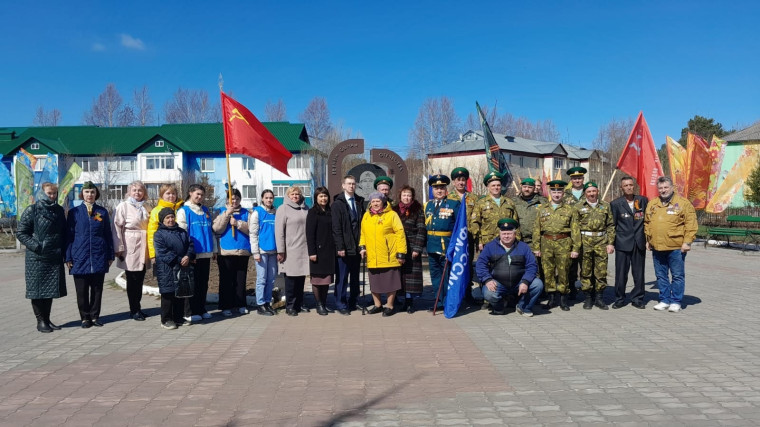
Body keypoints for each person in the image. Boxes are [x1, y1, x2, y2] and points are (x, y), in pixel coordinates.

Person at [17, 182, 67, 333]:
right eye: (49, 193)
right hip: (37, 258)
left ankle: (47, 319)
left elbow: (63, 231)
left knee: (49, 290)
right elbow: (21, 232)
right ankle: (40, 321)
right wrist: (37, 246)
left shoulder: (58, 210)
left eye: (54, 194)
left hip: (53, 256)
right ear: (42, 194)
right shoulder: (32, 210)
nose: (52, 196)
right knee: (38, 291)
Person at [644, 176, 697, 313]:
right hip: (657, 247)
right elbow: (647, 223)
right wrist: (648, 239)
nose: (663, 190)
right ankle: (664, 300)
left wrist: (687, 242)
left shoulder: (683, 203)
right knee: (661, 275)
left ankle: (676, 301)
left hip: (676, 247)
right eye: (660, 188)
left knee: (677, 275)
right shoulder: (653, 203)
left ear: (672, 187)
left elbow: (691, 224)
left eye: (666, 187)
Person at [66, 181, 114, 328]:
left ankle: (95, 316)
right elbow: (68, 236)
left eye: (92, 192)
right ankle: (85, 318)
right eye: (87, 192)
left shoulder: (102, 212)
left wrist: (110, 255)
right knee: (81, 290)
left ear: (96, 194)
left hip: (99, 255)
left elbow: (108, 234)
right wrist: (68, 257)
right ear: (82, 194)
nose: (90, 195)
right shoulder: (74, 212)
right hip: (79, 256)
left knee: (97, 289)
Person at [475, 218, 543, 317]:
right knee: (488, 293)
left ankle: (523, 307)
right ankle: (499, 306)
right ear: (500, 234)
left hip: (519, 282)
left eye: (509, 234)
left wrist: (525, 281)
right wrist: (487, 279)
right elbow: (481, 264)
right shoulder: (490, 247)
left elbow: (532, 266)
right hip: (498, 283)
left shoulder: (523, 247)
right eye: (504, 234)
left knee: (537, 284)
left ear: (515, 234)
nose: (506, 236)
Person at [532, 180, 580, 311]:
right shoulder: (542, 209)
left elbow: (575, 230)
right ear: (550, 192)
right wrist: (536, 247)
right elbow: (537, 229)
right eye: (554, 191)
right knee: (548, 272)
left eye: (559, 191)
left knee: (564, 271)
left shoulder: (570, 210)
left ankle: (563, 299)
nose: (557, 194)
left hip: (564, 242)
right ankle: (552, 298)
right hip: (546, 243)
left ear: (563, 193)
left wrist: (575, 248)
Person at [359, 192, 407, 316]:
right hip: (372, 255)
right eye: (373, 201)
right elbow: (363, 233)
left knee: (390, 281)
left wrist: (401, 252)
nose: (375, 203)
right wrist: (362, 247)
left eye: (378, 201)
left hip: (388, 254)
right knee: (375, 282)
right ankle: (378, 305)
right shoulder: (366, 216)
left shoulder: (392, 215)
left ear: (383, 202)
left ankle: (390, 305)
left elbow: (400, 233)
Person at [177, 184, 217, 323]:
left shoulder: (205, 210)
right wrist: (188, 253)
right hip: (193, 254)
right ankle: (190, 310)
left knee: (203, 283)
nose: (199, 197)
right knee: (192, 283)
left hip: (206, 252)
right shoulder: (184, 211)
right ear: (190, 193)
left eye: (202, 194)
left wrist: (214, 250)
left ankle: (201, 308)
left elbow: (210, 232)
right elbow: (182, 234)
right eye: (197, 194)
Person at [112, 180, 151, 321]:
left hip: (144, 244)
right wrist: (119, 248)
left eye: (140, 190)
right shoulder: (123, 206)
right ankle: (133, 309)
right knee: (132, 279)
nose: (137, 193)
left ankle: (138, 308)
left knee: (140, 278)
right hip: (130, 244)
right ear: (129, 192)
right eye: (134, 190)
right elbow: (116, 228)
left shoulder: (146, 207)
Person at [574, 181, 615, 310]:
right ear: (585, 193)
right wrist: (577, 245)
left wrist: (610, 243)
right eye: (589, 192)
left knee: (601, 271)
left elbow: (610, 225)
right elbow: (575, 228)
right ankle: (587, 298)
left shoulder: (606, 206)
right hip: (585, 241)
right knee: (585, 271)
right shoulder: (578, 206)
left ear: (598, 191)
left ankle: (599, 298)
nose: (592, 194)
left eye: (594, 191)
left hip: (601, 241)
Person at [153, 208, 195, 330]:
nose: (170, 220)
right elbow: (162, 252)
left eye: (172, 217)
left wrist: (188, 256)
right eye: (167, 218)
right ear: (162, 220)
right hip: (167, 268)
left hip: (182, 266)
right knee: (168, 293)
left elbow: (190, 245)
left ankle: (178, 317)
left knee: (180, 293)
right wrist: (178, 260)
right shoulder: (159, 234)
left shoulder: (182, 232)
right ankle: (166, 319)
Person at [610, 176, 648, 309]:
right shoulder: (615, 204)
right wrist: (610, 243)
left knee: (639, 273)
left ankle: (637, 298)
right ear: (621, 188)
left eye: (631, 185)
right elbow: (612, 225)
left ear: (634, 186)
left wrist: (648, 240)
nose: (628, 187)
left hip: (639, 243)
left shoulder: (642, 200)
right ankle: (620, 298)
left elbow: (647, 222)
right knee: (621, 273)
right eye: (625, 185)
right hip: (622, 243)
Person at [213, 188, 251, 317]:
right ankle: (226, 305)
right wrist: (227, 215)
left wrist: (238, 223)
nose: (234, 201)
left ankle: (240, 304)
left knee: (240, 280)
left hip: (242, 250)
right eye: (231, 199)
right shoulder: (221, 211)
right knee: (226, 280)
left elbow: (252, 229)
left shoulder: (247, 213)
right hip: (226, 251)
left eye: (236, 198)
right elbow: (216, 229)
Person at [425, 174, 460, 310]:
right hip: (431, 245)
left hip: (446, 245)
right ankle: (438, 301)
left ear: (446, 189)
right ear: (432, 190)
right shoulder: (428, 205)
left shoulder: (453, 204)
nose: (439, 191)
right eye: (436, 188)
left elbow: (459, 227)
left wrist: (454, 246)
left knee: (446, 275)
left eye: (441, 188)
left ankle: (447, 302)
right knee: (435, 275)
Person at [332, 175, 365, 315]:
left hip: (357, 247)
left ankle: (353, 301)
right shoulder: (337, 204)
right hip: (344, 248)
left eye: (353, 184)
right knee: (342, 278)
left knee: (355, 277)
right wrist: (340, 247)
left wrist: (362, 246)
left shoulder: (358, 202)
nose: (351, 186)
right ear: (343, 185)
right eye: (349, 184)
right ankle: (340, 303)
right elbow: (336, 228)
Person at [275, 185, 310, 316]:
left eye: (297, 194)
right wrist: (281, 250)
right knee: (291, 280)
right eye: (292, 194)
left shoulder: (306, 208)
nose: (295, 196)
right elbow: (279, 232)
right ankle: (290, 306)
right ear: (288, 196)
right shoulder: (283, 209)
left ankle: (299, 303)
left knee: (301, 279)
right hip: (290, 250)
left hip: (304, 249)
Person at [392, 185, 426, 313]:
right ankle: (400, 300)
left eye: (409, 195)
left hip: (412, 246)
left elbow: (421, 230)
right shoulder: (394, 210)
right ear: (400, 196)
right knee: (400, 275)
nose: (406, 197)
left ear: (412, 197)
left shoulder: (417, 210)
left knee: (411, 276)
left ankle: (410, 302)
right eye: (404, 195)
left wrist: (417, 248)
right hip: (398, 248)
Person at [448, 167, 479, 304]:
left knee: (467, 265)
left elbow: (477, 217)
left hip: (469, 238)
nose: (461, 183)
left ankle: (467, 293)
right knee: (454, 266)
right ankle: (454, 294)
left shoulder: (473, 198)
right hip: (453, 238)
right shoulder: (448, 198)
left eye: (463, 180)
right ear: (453, 182)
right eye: (458, 180)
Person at [470, 171, 520, 251]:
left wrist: (517, 239)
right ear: (488, 187)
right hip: (487, 242)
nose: (496, 188)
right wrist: (479, 241)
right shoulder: (480, 203)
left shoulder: (509, 202)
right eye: (493, 185)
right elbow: (475, 223)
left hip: (507, 242)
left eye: (498, 185)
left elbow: (516, 223)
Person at [306, 186, 336, 316]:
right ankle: (319, 304)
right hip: (317, 251)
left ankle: (324, 302)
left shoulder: (330, 211)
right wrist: (312, 252)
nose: (323, 198)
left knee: (326, 279)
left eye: (325, 196)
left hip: (329, 251)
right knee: (317, 280)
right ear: (316, 198)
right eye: (321, 196)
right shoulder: (312, 212)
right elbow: (310, 234)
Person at [512, 178, 547, 281]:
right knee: (519, 265)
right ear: (521, 187)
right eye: (524, 187)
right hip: (519, 240)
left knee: (537, 266)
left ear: (534, 188)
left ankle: (538, 288)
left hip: (536, 240)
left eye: (530, 187)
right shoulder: (514, 201)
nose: (527, 189)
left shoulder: (542, 201)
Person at [250, 189, 278, 316]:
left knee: (271, 279)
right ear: (262, 199)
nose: (269, 200)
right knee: (262, 278)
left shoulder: (276, 212)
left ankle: (267, 302)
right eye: (266, 197)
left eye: (271, 198)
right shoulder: (257, 213)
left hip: (273, 251)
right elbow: (253, 233)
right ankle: (260, 304)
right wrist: (255, 252)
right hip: (261, 251)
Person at [563, 166, 587, 300]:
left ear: (583, 179)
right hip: (570, 236)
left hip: (587, 235)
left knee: (587, 265)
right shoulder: (565, 195)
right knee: (571, 265)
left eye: (579, 178)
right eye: (574, 178)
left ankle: (588, 292)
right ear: (571, 179)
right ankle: (571, 290)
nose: (577, 180)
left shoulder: (590, 191)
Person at [147, 184, 184, 261]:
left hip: (181, 250)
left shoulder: (181, 209)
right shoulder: (156, 211)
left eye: (173, 193)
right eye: (168, 193)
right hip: (164, 251)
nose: (171, 196)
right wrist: (153, 254)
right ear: (162, 195)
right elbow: (151, 233)